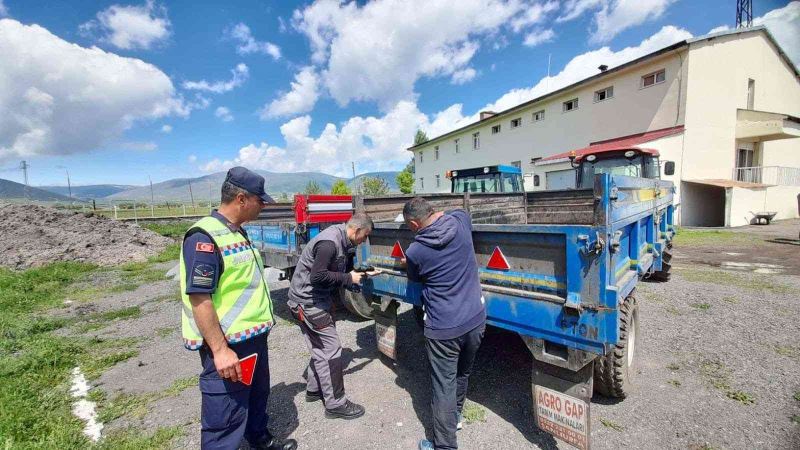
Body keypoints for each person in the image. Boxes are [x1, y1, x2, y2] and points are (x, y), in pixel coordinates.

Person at [179, 166, 297, 450]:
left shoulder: (235, 231)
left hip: (252, 338)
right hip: (229, 344)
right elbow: (200, 298)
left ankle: (259, 438)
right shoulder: (204, 238)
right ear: (242, 199)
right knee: (225, 415)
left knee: (256, 397)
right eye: (261, 199)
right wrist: (220, 351)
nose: (264, 205)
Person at [402, 197, 486, 450]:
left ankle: (445, 446)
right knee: (462, 373)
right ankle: (455, 417)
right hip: (475, 319)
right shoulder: (459, 224)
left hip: (443, 328)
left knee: (443, 386)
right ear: (434, 212)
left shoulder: (415, 251)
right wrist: (439, 214)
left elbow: (415, 278)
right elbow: (460, 210)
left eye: (409, 226)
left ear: (415, 224)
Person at [287, 212, 377, 419]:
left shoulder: (343, 240)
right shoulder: (329, 243)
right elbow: (318, 276)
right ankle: (336, 404)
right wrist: (348, 277)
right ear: (356, 230)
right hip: (308, 303)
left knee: (320, 348)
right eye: (365, 236)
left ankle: (314, 388)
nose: (365, 241)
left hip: (312, 301)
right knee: (331, 351)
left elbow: (337, 270)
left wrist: (362, 273)